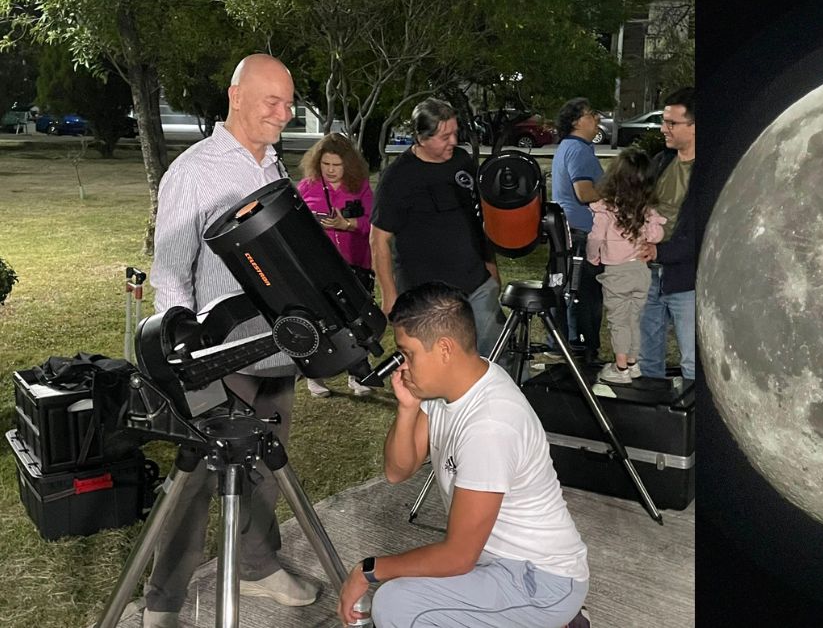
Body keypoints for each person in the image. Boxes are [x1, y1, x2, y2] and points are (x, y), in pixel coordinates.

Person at [145, 54, 318, 627]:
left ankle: (258, 565)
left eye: (289, 103)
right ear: (236, 95)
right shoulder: (193, 171)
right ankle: (164, 602)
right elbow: (170, 270)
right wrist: (182, 351)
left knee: (268, 465)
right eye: (273, 101)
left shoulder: (273, 165)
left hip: (278, 344)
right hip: (219, 353)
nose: (285, 112)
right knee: (198, 478)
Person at [337, 282, 590, 627]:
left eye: (407, 353)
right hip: (493, 560)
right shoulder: (456, 386)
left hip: (539, 579)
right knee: (405, 587)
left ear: (444, 349)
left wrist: (368, 571)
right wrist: (408, 409)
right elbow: (399, 471)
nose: (402, 365)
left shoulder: (490, 424)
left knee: (397, 605)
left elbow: (457, 557)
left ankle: (555, 620)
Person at [370, 98, 505, 358]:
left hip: (476, 283)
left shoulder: (462, 161)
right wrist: (389, 294)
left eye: (455, 132)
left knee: (497, 357)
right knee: (441, 365)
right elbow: (378, 240)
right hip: (429, 297)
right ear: (421, 138)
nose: (453, 141)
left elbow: (478, 218)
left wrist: (491, 267)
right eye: (445, 136)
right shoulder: (398, 178)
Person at [297, 132, 375, 397]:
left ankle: (358, 374)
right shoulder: (307, 187)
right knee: (320, 322)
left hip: (355, 264)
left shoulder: (360, 186)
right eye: (326, 164)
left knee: (356, 320)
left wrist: (348, 225)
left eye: (336, 165)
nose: (330, 170)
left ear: (348, 164)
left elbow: (374, 224)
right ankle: (316, 376)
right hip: (317, 266)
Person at [586, 149, 666, 385]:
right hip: (641, 271)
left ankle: (621, 369)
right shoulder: (646, 210)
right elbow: (657, 234)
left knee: (618, 320)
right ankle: (633, 363)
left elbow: (595, 238)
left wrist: (593, 257)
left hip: (616, 273)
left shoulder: (606, 210)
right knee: (634, 318)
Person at [637, 87, 696, 381]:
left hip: (686, 279)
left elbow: (703, 234)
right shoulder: (661, 161)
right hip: (648, 273)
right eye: (664, 121)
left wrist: (661, 252)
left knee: (692, 362)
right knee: (648, 357)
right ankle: (653, 417)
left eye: (671, 123)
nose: (663, 128)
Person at [550, 98, 605, 365]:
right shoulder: (581, 150)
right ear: (576, 121)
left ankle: (562, 344)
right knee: (585, 295)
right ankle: (583, 349)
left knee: (564, 290)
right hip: (582, 232)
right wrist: (612, 190)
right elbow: (584, 192)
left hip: (566, 230)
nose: (597, 119)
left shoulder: (566, 147)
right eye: (591, 114)